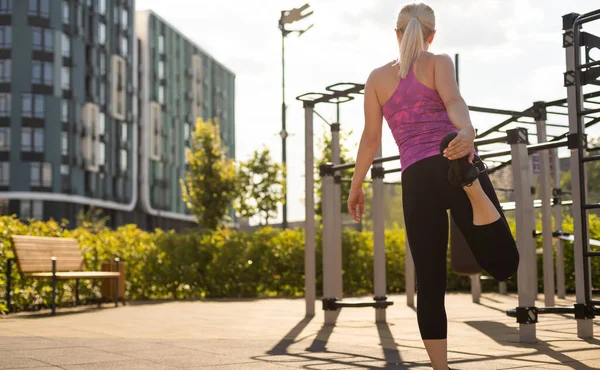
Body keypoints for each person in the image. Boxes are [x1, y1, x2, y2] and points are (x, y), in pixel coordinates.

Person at [346, 3, 520, 370]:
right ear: (432, 34)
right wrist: (467, 133)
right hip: (452, 159)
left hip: (416, 179)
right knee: (504, 264)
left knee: (429, 277)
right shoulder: (439, 61)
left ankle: (441, 368)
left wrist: (356, 184)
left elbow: (371, 138)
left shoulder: (376, 78)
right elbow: (453, 100)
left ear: (397, 33)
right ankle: (472, 187)